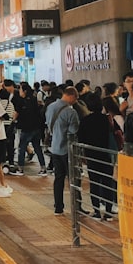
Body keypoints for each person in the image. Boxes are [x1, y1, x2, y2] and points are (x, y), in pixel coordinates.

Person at [77, 93, 116, 220]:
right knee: (107, 183)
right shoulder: (107, 119)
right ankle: (109, 213)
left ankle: (97, 212)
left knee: (94, 184)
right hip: (107, 155)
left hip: (92, 156)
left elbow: (81, 139)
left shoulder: (85, 120)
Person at [46, 86, 80, 215]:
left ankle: (58, 207)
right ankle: (77, 206)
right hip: (67, 149)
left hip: (55, 147)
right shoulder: (71, 112)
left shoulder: (50, 107)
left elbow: (48, 125)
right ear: (71, 96)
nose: (75, 101)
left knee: (58, 178)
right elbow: (73, 131)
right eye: (75, 98)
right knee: (74, 178)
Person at [13, 83, 45, 175]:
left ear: (25, 91)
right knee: (38, 148)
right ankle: (43, 168)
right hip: (36, 128)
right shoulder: (35, 100)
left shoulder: (21, 101)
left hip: (26, 128)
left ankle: (20, 169)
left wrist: (13, 120)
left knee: (22, 148)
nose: (19, 91)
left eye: (20, 90)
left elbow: (16, 114)